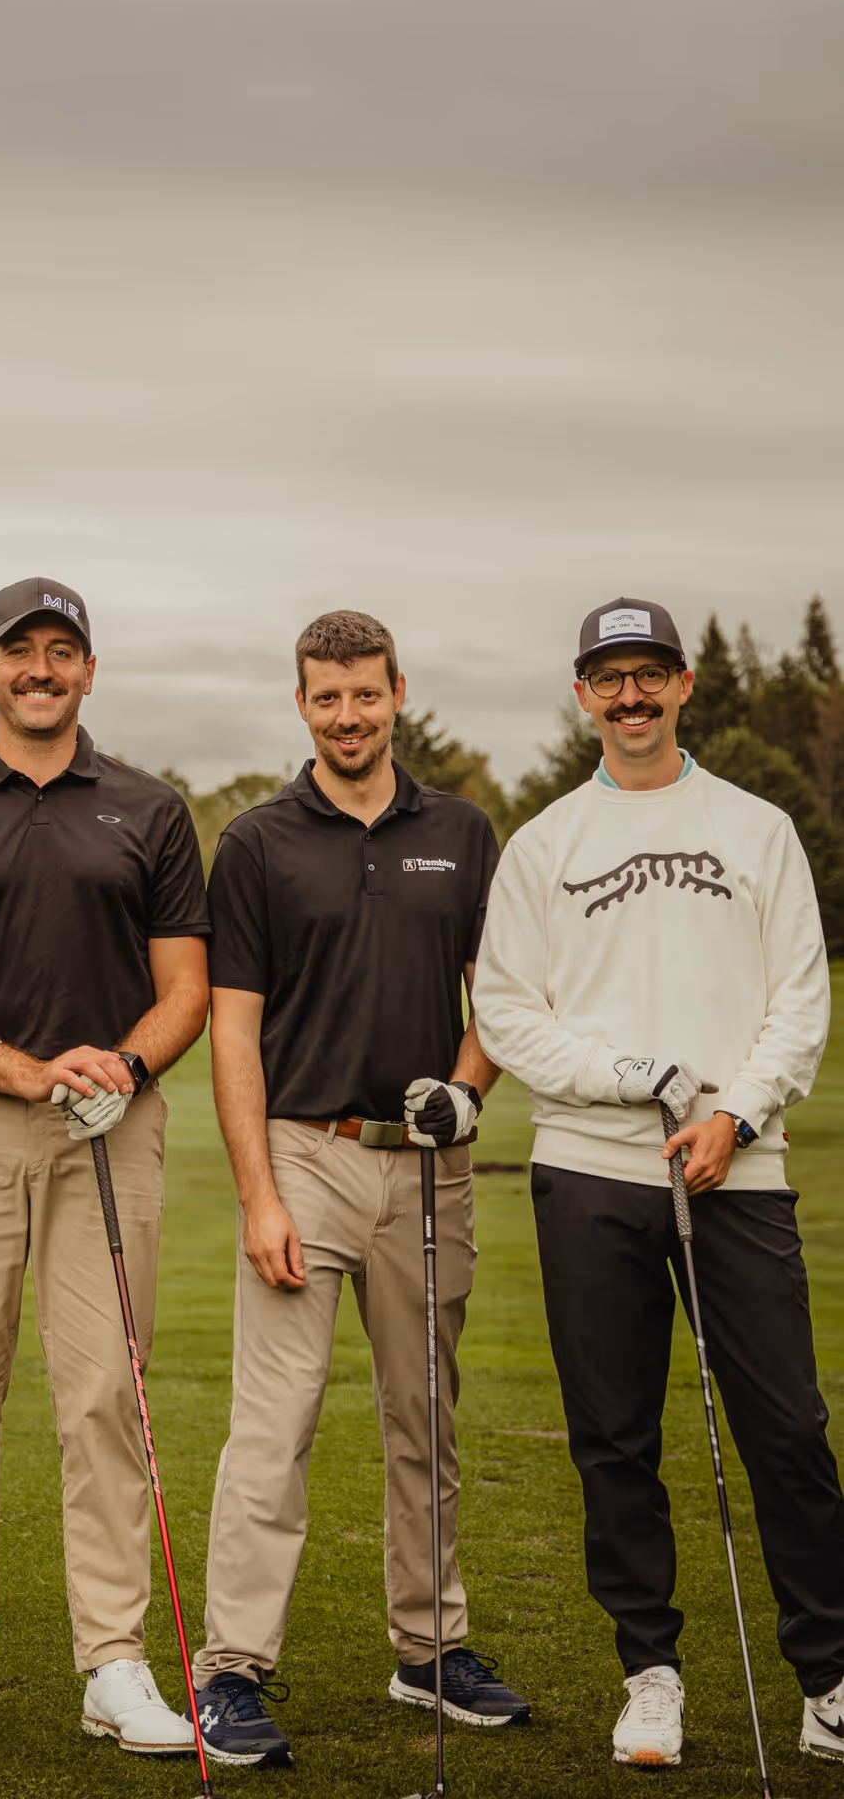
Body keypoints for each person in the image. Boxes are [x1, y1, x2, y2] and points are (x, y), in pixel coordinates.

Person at [472, 595, 844, 1770]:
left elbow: (801, 992)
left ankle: (829, 1677)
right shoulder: (543, 845)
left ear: (684, 684)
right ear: (583, 694)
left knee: (787, 1426)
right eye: (608, 677)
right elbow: (505, 1011)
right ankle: (651, 1672)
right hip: (591, 1170)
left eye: (651, 674)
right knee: (614, 1434)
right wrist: (627, 1073)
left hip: (738, 1170)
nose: (630, 696)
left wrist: (735, 1108)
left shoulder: (757, 825)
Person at [0, 577, 211, 1755]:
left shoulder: (152, 810)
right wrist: (22, 1069)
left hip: (107, 1127)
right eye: (22, 651)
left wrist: (117, 1064)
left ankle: (113, 1659)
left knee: (106, 1390)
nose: (42, 668)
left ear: (89, 672)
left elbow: (186, 992)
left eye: (63, 650)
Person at [191, 609, 530, 1768]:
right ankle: (231, 1667)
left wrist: (469, 1088)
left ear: (399, 694)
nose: (347, 715)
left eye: (365, 695)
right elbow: (234, 1033)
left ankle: (429, 1647)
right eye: (326, 697)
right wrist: (258, 1195)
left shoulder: (465, 832)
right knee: (272, 1423)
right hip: (305, 1152)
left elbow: (499, 998)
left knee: (421, 1415)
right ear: (302, 704)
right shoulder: (256, 841)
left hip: (431, 1165)